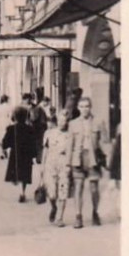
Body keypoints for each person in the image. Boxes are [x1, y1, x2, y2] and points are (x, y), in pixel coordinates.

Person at [66, 95, 107, 228]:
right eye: (82, 107)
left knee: (94, 188)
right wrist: (68, 163)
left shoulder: (98, 122)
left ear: (90, 108)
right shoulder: (73, 124)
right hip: (78, 158)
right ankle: (78, 216)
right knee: (78, 188)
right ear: (78, 108)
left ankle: (95, 212)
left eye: (87, 106)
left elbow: (104, 142)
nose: (84, 109)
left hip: (93, 158)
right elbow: (69, 145)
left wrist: (106, 158)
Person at [41, 108, 72, 226]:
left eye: (64, 121)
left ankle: (60, 217)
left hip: (64, 162)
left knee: (63, 190)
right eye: (59, 120)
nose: (61, 123)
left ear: (67, 121)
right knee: (52, 192)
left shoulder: (70, 134)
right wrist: (42, 166)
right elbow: (46, 149)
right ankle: (53, 206)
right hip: (51, 163)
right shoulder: (49, 133)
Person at [3, 105, 38, 202]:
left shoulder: (11, 128)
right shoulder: (30, 129)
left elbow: (5, 142)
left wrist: (5, 148)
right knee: (25, 175)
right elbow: (33, 143)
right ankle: (22, 191)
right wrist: (34, 156)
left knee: (17, 173)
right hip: (26, 155)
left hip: (15, 154)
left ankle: (20, 192)